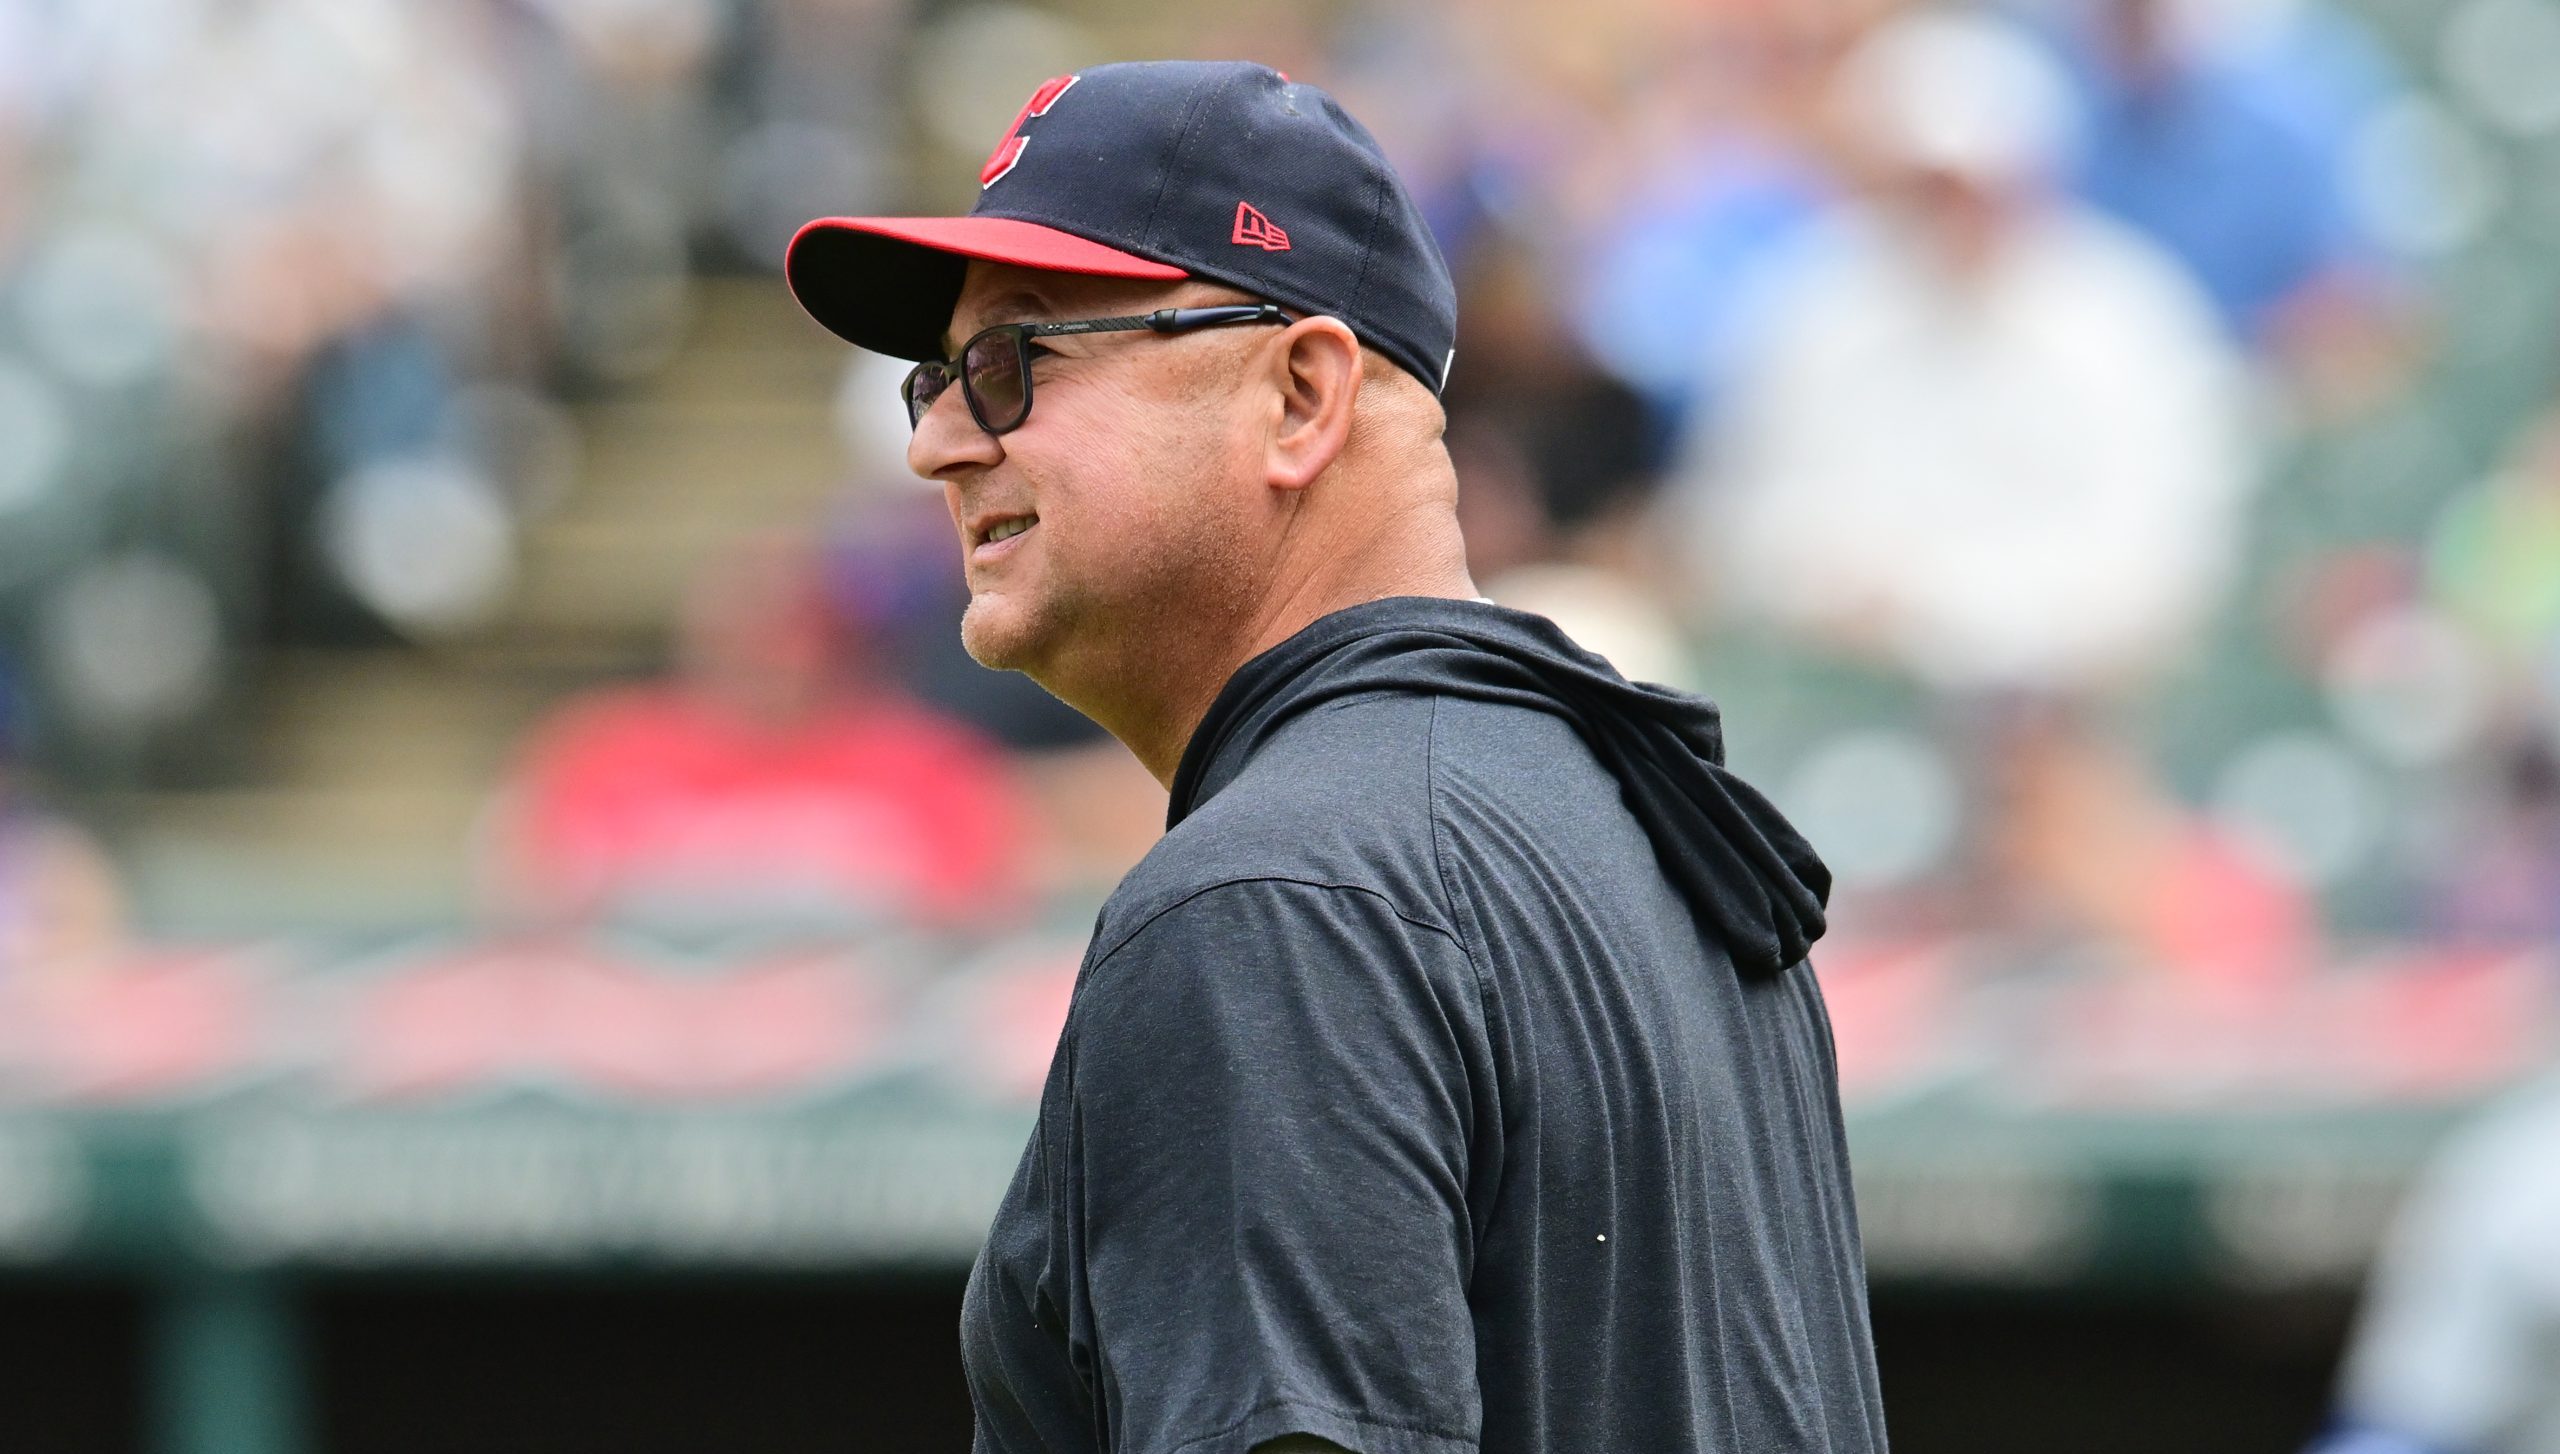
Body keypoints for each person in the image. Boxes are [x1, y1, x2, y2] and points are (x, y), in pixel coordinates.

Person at [784, 59, 1885, 1454]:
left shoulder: (1274, 903)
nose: (939, 444)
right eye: (933, 381)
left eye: (1013, 364)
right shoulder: (1675, 853)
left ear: (1302, 396)